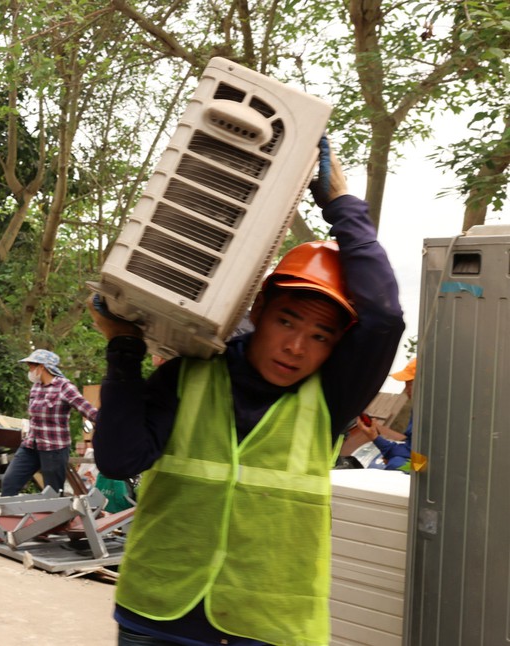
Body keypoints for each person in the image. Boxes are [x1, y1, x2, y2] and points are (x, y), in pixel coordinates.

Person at [88, 144, 405, 646]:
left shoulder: (331, 398)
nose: (297, 347)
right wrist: (123, 348)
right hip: (157, 616)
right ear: (259, 309)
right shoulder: (191, 374)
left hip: (268, 628)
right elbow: (119, 457)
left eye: (321, 335)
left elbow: (384, 316)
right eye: (287, 321)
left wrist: (340, 202)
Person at [0, 349, 99, 496]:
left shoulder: (64, 387)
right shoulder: (36, 387)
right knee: (9, 482)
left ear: (42, 367)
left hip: (54, 449)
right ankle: (6, 511)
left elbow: (87, 409)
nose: (29, 370)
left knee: (52, 494)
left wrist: (109, 425)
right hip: (30, 446)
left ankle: (57, 512)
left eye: (31, 366)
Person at [353, 358, 416, 470]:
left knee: (395, 464)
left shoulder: (431, 416)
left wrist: (393, 457)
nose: (406, 389)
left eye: (409, 383)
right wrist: (374, 436)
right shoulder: (417, 410)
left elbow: (419, 459)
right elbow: (409, 450)